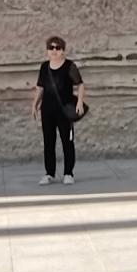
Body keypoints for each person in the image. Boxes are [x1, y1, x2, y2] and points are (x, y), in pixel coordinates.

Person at [31, 35, 85, 186]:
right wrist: (34, 105)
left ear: (63, 50)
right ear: (47, 50)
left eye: (57, 48)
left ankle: (68, 173)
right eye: (51, 48)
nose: (54, 50)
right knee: (48, 142)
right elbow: (40, 87)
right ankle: (49, 173)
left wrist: (79, 102)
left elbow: (80, 84)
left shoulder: (69, 66)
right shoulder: (44, 67)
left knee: (67, 141)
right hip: (47, 110)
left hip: (64, 110)